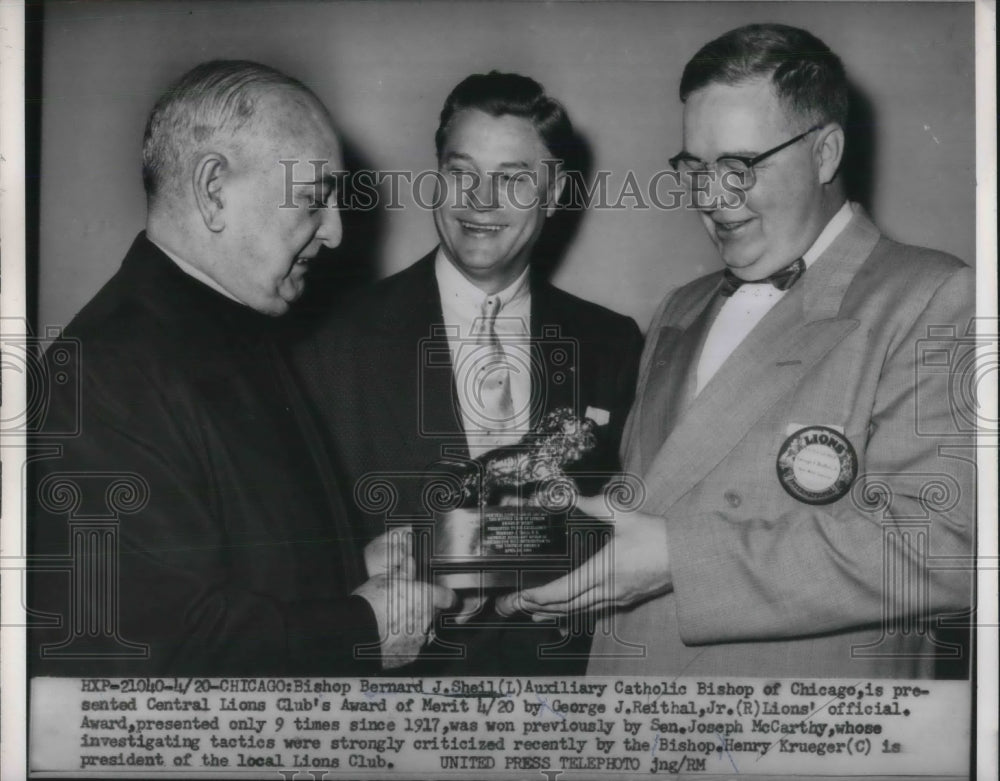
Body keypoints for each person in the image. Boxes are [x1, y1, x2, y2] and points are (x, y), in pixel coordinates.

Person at [499, 24, 975, 679]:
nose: (710, 199)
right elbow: (662, 503)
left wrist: (677, 560)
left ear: (826, 152)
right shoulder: (679, 308)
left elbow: (948, 550)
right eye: (694, 168)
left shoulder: (933, 294)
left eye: (739, 167)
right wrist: (557, 536)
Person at [29, 60, 453, 677]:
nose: (334, 232)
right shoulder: (99, 373)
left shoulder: (238, 324)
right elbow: (141, 650)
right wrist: (361, 629)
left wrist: (350, 567)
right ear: (213, 190)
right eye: (312, 200)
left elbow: (224, 564)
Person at [292, 71, 643, 675]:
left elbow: (623, 523)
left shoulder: (612, 343)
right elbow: (280, 544)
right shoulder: (326, 341)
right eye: (462, 174)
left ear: (554, 193)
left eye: (512, 180)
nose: (481, 201)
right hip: (394, 707)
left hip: (563, 703)